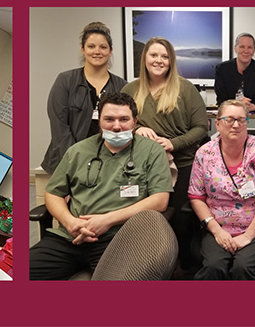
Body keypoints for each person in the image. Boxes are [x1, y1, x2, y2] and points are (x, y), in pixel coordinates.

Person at [29, 92, 172, 280]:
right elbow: (53, 193)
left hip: (119, 240)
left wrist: (107, 221)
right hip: (70, 238)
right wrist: (70, 222)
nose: (117, 126)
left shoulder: (151, 151)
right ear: (99, 122)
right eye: (109, 119)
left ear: (135, 121)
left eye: (124, 119)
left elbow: (160, 200)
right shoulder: (78, 151)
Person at [122, 36, 207, 265]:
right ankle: (147, 264)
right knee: (147, 218)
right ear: (145, 58)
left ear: (171, 61)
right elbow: (118, 123)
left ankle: (180, 265)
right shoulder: (131, 89)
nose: (159, 60)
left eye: (164, 56)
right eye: (154, 55)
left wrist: (173, 143)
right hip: (143, 166)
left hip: (183, 164)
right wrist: (137, 129)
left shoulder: (185, 88)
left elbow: (202, 127)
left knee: (180, 220)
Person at [188, 100, 255, 279]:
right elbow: (196, 196)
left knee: (243, 266)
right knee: (213, 266)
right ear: (217, 124)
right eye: (229, 119)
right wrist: (216, 230)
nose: (236, 125)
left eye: (242, 120)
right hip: (218, 226)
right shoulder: (204, 154)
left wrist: (248, 236)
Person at [41, 22, 127, 173]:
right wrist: (77, 160)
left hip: (108, 164)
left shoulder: (122, 86)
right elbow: (58, 125)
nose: (97, 51)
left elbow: (125, 125)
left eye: (103, 47)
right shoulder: (65, 80)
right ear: (83, 49)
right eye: (91, 46)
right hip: (66, 161)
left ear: (110, 51)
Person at [214, 32, 255, 112]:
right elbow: (221, 99)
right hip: (228, 113)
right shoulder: (222, 69)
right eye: (242, 47)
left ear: (254, 50)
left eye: (250, 47)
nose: (246, 51)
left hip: (253, 114)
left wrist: (252, 106)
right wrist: (238, 104)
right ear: (235, 49)